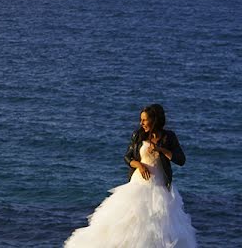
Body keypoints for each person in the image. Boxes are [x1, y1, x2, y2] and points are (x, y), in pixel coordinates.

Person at [63, 104, 197, 247]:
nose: (141, 123)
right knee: (131, 222)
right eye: (141, 120)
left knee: (160, 226)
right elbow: (127, 157)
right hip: (138, 184)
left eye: (145, 120)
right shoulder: (138, 135)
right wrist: (139, 165)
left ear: (154, 120)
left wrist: (161, 150)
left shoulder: (169, 137)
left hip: (160, 187)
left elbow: (180, 160)